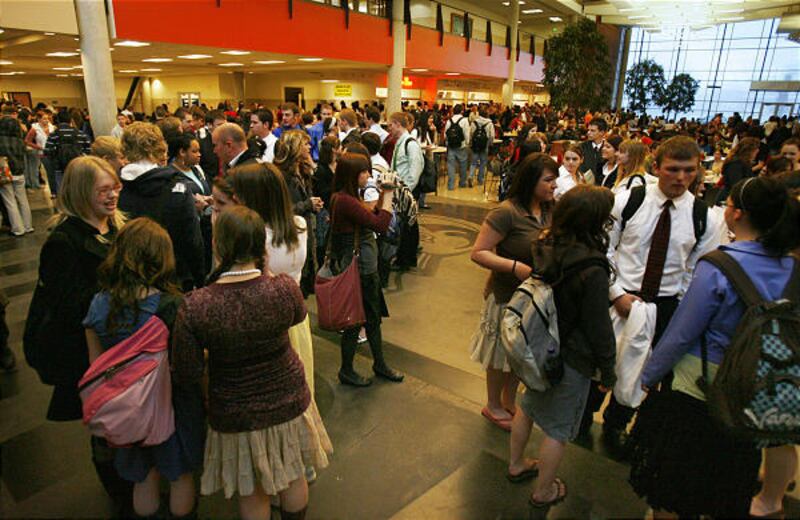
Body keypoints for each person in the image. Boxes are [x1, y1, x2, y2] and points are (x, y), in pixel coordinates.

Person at [629, 177, 800, 518]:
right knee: (729, 476)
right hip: (756, 384)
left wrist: (649, 373)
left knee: (676, 478)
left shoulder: (719, 265)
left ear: (736, 214)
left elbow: (683, 331)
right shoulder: (791, 267)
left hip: (701, 382)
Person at [172, 206, 332, 520]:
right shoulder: (284, 288)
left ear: (218, 245)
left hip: (234, 409)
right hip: (288, 397)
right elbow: (298, 316)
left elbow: (186, 370)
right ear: (261, 245)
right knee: (293, 475)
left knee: (252, 489)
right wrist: (267, 270)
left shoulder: (197, 305)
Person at [599, 136, 724, 456]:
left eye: (689, 171)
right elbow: (604, 250)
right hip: (619, 294)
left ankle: (617, 423)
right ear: (657, 167)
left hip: (666, 304)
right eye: (673, 169)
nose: (681, 178)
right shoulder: (628, 201)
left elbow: (697, 269)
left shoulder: (704, 217)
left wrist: (679, 305)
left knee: (646, 370)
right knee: (603, 362)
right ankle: (584, 415)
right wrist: (616, 294)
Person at [23, 156, 132, 515]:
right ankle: (117, 490)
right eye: (104, 190)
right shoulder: (63, 242)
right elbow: (69, 306)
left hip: (122, 347)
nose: (113, 196)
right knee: (104, 428)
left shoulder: (114, 227)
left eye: (115, 187)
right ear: (82, 192)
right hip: (91, 355)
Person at [83, 218, 204, 519]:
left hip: (127, 408)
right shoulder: (174, 306)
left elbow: (96, 368)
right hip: (174, 406)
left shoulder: (98, 304)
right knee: (180, 475)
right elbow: (188, 367)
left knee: (144, 476)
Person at [508, 185, 616, 508]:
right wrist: (608, 369)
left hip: (539, 343)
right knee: (558, 428)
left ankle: (515, 464)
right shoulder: (592, 267)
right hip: (574, 356)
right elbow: (599, 326)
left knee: (527, 407)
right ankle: (544, 492)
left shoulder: (545, 244)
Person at [469, 153, 557, 431]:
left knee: (520, 353)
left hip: (534, 300)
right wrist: (514, 266)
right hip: (507, 296)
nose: (554, 185)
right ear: (531, 181)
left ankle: (509, 400)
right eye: (548, 180)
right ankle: (493, 404)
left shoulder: (550, 209)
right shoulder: (506, 212)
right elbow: (479, 253)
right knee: (498, 354)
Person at [330, 152, 403, 386]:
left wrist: (382, 193)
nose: (368, 175)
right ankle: (349, 369)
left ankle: (376, 364)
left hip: (361, 268)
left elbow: (371, 214)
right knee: (357, 321)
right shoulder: (346, 201)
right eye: (364, 172)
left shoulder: (346, 197)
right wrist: (389, 193)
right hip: (359, 270)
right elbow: (381, 224)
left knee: (370, 318)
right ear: (353, 174)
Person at [118, 122, 205, 291]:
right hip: (172, 277)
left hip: (131, 280)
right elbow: (192, 239)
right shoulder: (177, 187)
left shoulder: (115, 188)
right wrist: (199, 278)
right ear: (159, 147)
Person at [274, 130, 322, 297]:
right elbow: (281, 210)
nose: (309, 147)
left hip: (305, 233)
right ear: (294, 148)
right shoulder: (283, 176)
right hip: (291, 235)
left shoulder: (301, 171)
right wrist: (307, 204)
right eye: (305, 144)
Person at [169, 133, 213, 274]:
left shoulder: (196, 169)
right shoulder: (171, 175)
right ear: (182, 152)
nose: (199, 155)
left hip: (207, 226)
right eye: (194, 151)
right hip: (192, 231)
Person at [44, 109, 92, 197]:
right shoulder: (80, 133)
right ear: (71, 120)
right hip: (77, 166)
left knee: (63, 191)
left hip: (59, 168)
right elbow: (88, 150)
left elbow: (47, 152)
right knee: (78, 191)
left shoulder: (54, 134)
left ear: (57, 121)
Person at [0, 116, 34, 236]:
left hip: (5, 175)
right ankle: (28, 226)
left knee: (10, 202)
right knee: (23, 200)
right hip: (19, 173)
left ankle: (18, 229)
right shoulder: (19, 141)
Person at [387, 112, 424, 192]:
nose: (389, 129)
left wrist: (405, 191)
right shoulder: (399, 143)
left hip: (406, 192)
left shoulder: (411, 144)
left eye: (390, 125)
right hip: (397, 189)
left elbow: (415, 172)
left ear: (398, 124)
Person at [719, 136, 760, 203]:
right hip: (729, 199)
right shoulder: (735, 164)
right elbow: (735, 185)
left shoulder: (743, 162)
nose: (758, 151)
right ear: (749, 151)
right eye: (756, 149)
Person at [445, 104, 471, 190]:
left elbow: (446, 134)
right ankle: (462, 183)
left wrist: (447, 142)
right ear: (462, 111)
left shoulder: (449, 121)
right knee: (463, 165)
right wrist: (467, 143)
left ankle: (451, 185)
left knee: (451, 165)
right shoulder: (464, 120)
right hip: (461, 146)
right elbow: (466, 133)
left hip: (451, 146)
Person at [469, 107, 495, 187]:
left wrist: (471, 142)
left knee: (473, 162)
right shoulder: (489, 123)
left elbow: (471, 133)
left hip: (475, 145)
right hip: (485, 145)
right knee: (483, 163)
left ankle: (471, 176)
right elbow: (492, 135)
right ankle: (480, 180)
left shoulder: (474, 122)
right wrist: (490, 143)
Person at [580, 117, 608, 184]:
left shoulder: (607, 149)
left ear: (602, 132)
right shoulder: (582, 147)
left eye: (592, 131)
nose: (588, 133)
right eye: (588, 130)